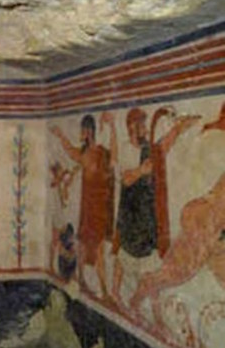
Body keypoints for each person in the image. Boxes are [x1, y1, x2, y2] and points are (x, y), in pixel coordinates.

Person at [111, 108, 199, 308]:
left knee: (147, 255)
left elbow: (163, 147)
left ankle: (145, 302)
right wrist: (142, 170)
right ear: (132, 126)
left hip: (146, 210)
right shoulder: (127, 148)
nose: (144, 127)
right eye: (141, 124)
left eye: (144, 123)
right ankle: (115, 291)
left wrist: (179, 128)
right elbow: (125, 179)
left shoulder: (148, 149)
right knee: (124, 251)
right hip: (131, 209)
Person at [129, 171, 225, 334]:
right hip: (204, 228)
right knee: (176, 273)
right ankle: (136, 302)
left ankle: (151, 310)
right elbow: (213, 202)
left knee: (173, 275)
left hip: (215, 235)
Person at [50, 112, 116, 298]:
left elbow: (113, 159)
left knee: (98, 248)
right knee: (85, 245)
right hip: (89, 208)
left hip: (101, 208)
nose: (81, 133)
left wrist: (113, 128)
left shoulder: (101, 152)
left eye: (83, 130)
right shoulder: (84, 154)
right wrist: (60, 135)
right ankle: (87, 283)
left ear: (88, 131)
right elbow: (70, 150)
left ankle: (103, 290)